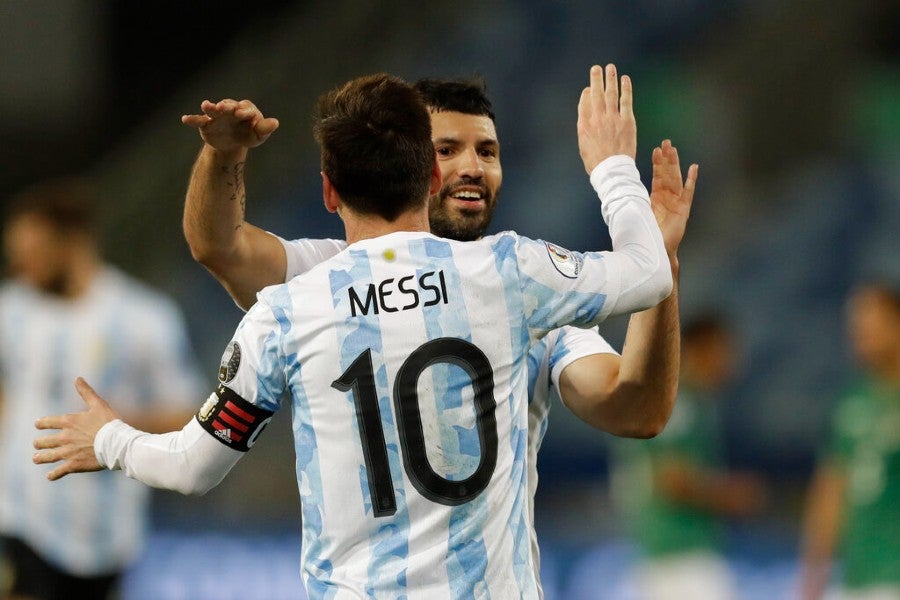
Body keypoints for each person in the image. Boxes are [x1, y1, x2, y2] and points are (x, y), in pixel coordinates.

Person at [33, 65, 673, 597]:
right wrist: (615, 170)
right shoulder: (518, 274)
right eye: (448, 150)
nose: (471, 167)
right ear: (428, 174)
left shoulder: (290, 307)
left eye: (487, 150)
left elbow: (192, 467)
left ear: (330, 191)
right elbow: (645, 273)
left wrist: (111, 440)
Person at [0, 179, 203, 600]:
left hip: (107, 533)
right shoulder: (10, 311)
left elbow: (189, 413)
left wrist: (109, 430)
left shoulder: (143, 318)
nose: (24, 267)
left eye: (34, 254)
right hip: (19, 517)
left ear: (72, 243)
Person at [610, 312, 767, 600]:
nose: (729, 362)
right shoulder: (679, 398)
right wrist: (729, 495)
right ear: (701, 348)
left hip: (660, 555)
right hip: (680, 558)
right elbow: (671, 478)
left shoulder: (683, 397)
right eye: (723, 350)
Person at [799, 282, 900, 600]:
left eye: (869, 323)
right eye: (855, 325)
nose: (859, 333)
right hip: (857, 578)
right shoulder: (851, 403)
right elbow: (831, 490)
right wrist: (813, 575)